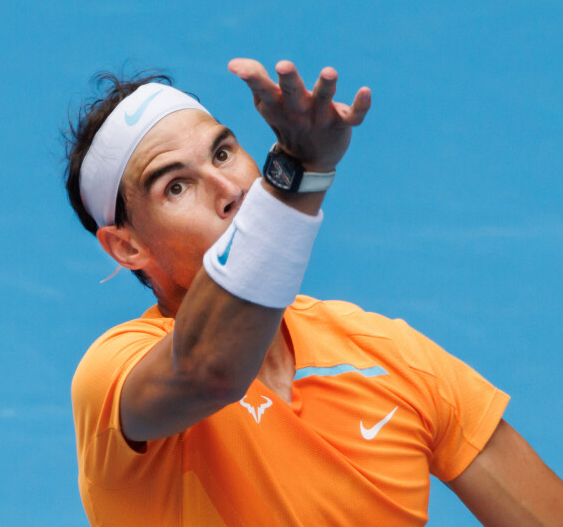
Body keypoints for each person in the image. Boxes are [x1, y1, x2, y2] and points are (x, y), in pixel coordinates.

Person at [65, 58, 563, 526]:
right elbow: (210, 371)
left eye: (222, 153)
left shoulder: (388, 355)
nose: (229, 188)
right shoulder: (114, 375)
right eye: (176, 186)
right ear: (126, 247)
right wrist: (296, 177)